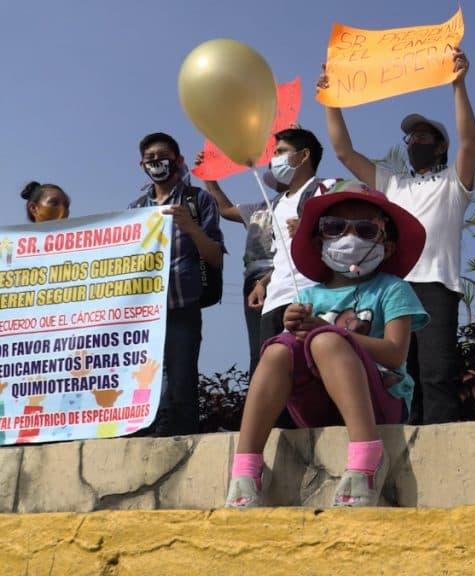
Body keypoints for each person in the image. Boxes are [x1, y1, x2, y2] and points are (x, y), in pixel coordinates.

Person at [225, 188, 428, 508]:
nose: (349, 237)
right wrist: (293, 328)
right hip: (318, 404)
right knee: (277, 350)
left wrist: (329, 331)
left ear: (386, 246)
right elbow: (293, 356)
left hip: (380, 401)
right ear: (319, 242)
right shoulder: (308, 297)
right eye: (335, 227)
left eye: (365, 230)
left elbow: (395, 354)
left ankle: (368, 458)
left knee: (328, 341)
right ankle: (247, 469)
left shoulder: (393, 289)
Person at [321, 48, 475, 425]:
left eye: (423, 137)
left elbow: (469, 142)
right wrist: (330, 100)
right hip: (393, 289)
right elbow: (344, 152)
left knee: (436, 372)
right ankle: (397, 440)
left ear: (440, 146)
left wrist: (458, 85)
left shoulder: (453, 183)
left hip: (436, 286)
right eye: (410, 138)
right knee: (395, 374)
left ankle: (441, 442)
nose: (414, 143)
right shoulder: (392, 183)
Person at [130, 132, 225, 436]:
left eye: (163, 157)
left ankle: (180, 441)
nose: (157, 163)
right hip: (145, 313)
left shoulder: (198, 201)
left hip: (183, 307)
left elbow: (215, 257)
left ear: (179, 161)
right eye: (150, 159)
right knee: (143, 381)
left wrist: (191, 227)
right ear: (142, 165)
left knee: (182, 379)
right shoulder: (136, 209)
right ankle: (143, 433)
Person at [194, 153, 289, 378]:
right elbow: (225, 209)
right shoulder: (260, 207)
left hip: (282, 278)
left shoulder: (304, 206)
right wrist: (209, 175)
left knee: (280, 344)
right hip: (253, 282)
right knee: (259, 351)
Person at [257, 128, 338, 348]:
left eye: (282, 152)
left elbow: (350, 230)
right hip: (274, 301)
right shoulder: (276, 203)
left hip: (310, 296)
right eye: (274, 153)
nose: (275, 159)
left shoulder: (327, 188)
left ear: (304, 155)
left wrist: (311, 226)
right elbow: (282, 255)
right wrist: (264, 282)